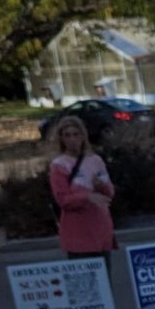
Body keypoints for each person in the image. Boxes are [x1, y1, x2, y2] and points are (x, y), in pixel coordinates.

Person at [48, 115, 115, 278]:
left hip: (101, 230)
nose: (72, 139)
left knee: (105, 284)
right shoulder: (59, 165)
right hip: (78, 234)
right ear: (61, 139)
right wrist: (87, 197)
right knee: (86, 288)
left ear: (83, 136)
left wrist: (102, 186)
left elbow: (110, 193)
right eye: (67, 135)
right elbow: (63, 199)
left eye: (76, 134)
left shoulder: (95, 160)